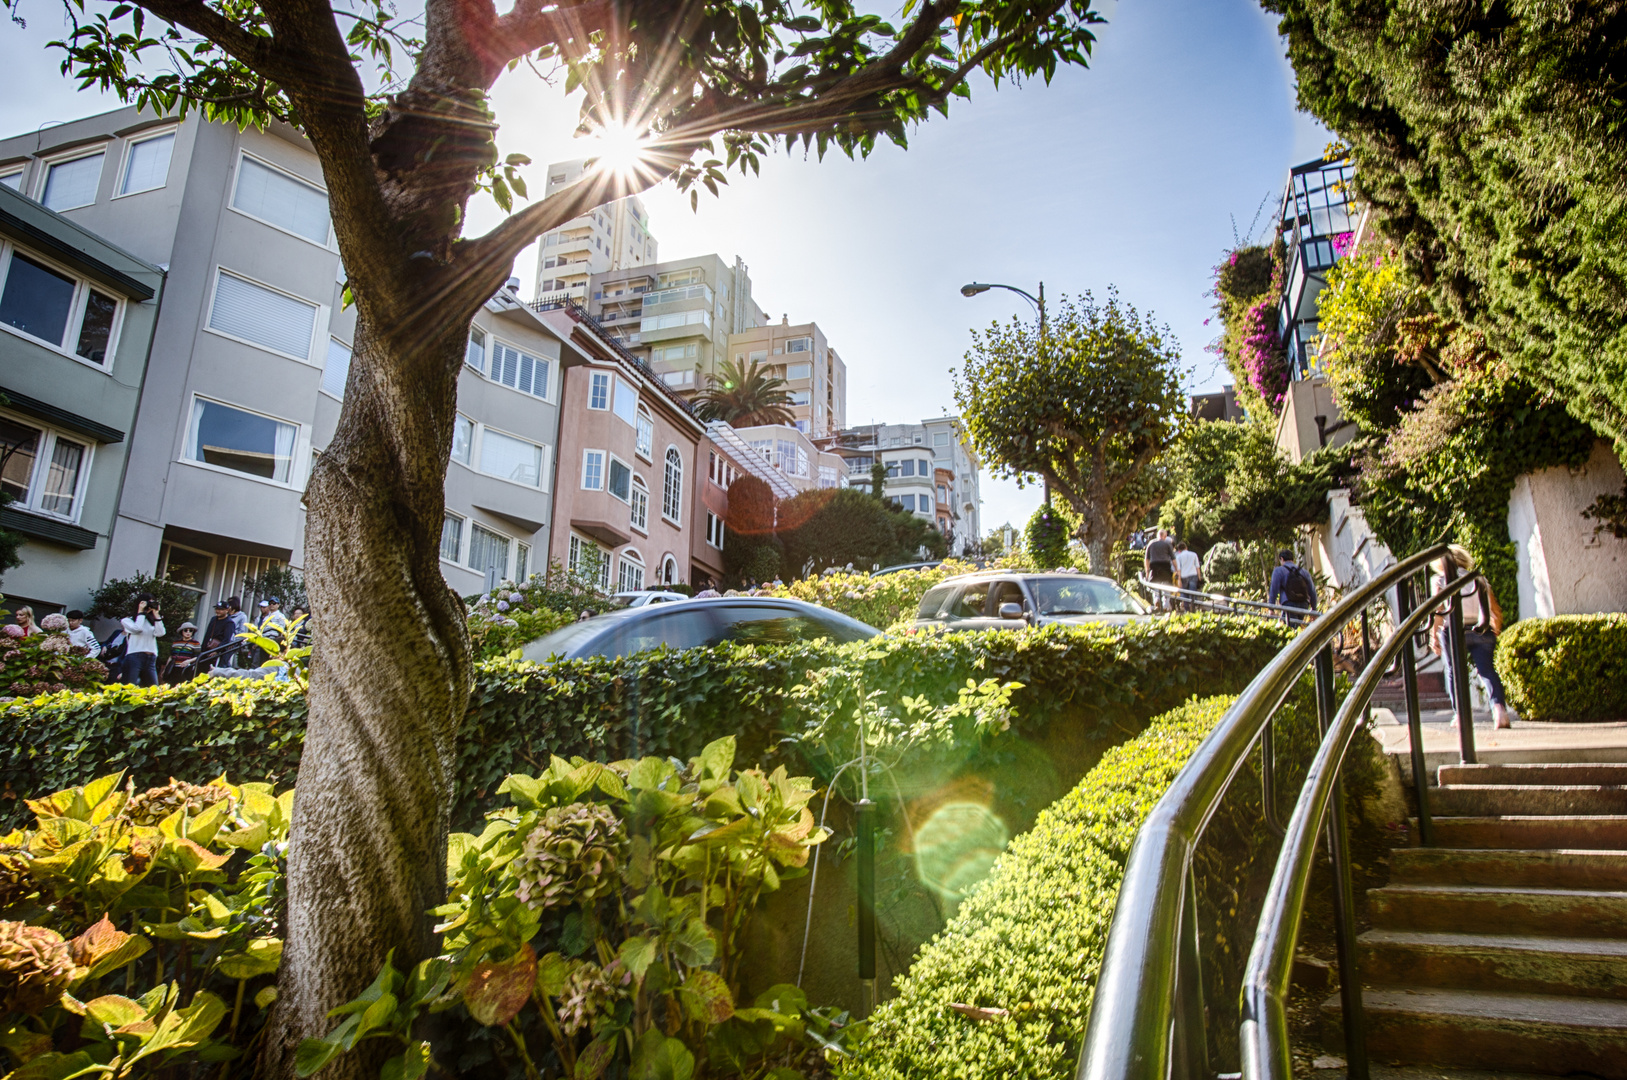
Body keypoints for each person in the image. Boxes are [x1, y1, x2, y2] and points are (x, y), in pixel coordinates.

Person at [1430, 546, 1512, 729]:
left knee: (1453, 671)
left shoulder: (1441, 580)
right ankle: (1499, 710)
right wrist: (1494, 631)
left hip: (1453, 630)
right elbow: (1495, 611)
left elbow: (1438, 610)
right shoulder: (1478, 578)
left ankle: (1461, 715)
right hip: (1480, 628)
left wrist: (1433, 636)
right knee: (1487, 671)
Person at [119, 593, 165, 686]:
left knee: (153, 690)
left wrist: (156, 615)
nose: (149, 606)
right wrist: (141, 612)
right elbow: (137, 629)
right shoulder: (128, 620)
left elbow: (161, 633)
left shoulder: (151, 622)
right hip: (135, 657)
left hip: (151, 658)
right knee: (129, 688)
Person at [1268, 549, 1318, 626]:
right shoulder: (1303, 572)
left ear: (1281, 559)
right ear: (1292, 559)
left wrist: (1271, 608)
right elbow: (1312, 591)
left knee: (1289, 628)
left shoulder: (1279, 571)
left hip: (1289, 604)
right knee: (1297, 626)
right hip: (1303, 604)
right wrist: (1314, 609)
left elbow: (1273, 590)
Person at [1143, 529, 1176, 609]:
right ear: (1164, 536)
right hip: (1165, 566)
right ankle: (1166, 604)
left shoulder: (1151, 544)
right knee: (1166, 585)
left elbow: (1147, 559)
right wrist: (1177, 570)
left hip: (1154, 566)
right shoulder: (1167, 544)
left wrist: (1147, 572)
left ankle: (1157, 599)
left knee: (1155, 585)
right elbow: (1173, 559)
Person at [1174, 541, 1202, 611]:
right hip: (1193, 574)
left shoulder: (1178, 557)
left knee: (1184, 593)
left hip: (1184, 576)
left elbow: (1179, 569)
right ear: (1186, 547)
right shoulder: (1194, 554)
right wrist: (1199, 576)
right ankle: (1193, 607)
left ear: (1179, 550)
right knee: (1193, 592)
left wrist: (1179, 580)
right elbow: (1197, 566)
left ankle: (1187, 609)